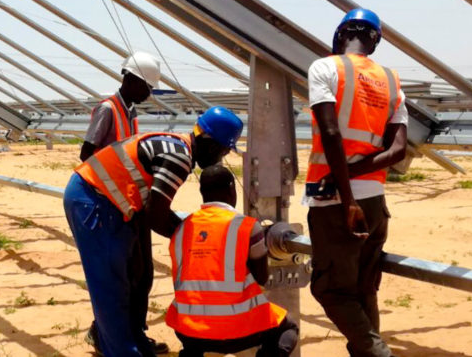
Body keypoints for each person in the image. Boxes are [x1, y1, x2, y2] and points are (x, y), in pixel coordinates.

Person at [64, 106, 242, 357]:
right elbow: (155, 215)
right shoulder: (179, 157)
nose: (221, 158)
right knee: (111, 280)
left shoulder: (179, 148)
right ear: (212, 145)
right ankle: (122, 351)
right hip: (93, 199)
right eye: (225, 150)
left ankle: (133, 337)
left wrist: (187, 231)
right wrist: (194, 240)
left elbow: (154, 209)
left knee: (140, 272)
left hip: (116, 201)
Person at [305, 8, 408, 357]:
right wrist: (354, 177)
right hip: (376, 203)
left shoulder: (325, 67)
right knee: (364, 291)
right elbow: (397, 150)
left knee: (330, 291)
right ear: (374, 41)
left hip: (336, 203)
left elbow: (331, 132)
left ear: (340, 34)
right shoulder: (392, 80)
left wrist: (345, 194)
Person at [79, 51, 165, 354]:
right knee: (126, 273)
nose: (149, 93)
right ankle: (111, 334)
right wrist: (113, 188)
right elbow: (87, 154)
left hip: (132, 203)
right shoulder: (107, 110)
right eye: (147, 87)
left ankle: (132, 331)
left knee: (142, 272)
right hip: (114, 205)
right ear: (131, 79)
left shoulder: (130, 114)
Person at [166, 165, 298, 357]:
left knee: (192, 346)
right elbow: (261, 277)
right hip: (237, 331)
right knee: (287, 329)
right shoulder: (246, 227)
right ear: (232, 190)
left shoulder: (181, 229)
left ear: (202, 193)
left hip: (189, 329)